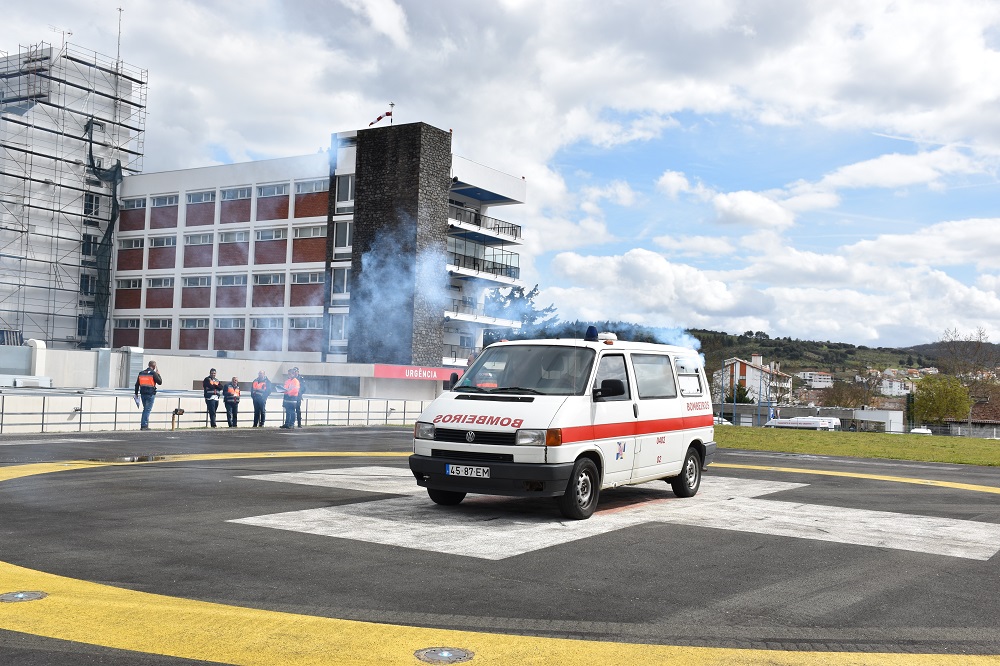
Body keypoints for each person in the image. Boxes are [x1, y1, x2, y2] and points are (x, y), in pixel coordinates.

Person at [133, 360, 162, 430]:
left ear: (148, 365)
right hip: (150, 394)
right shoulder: (153, 373)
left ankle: (144, 424)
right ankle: (144, 425)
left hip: (142, 394)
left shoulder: (141, 373)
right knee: (147, 410)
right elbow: (160, 382)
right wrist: (158, 374)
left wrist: (136, 393)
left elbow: (137, 384)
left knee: (145, 409)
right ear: (154, 366)